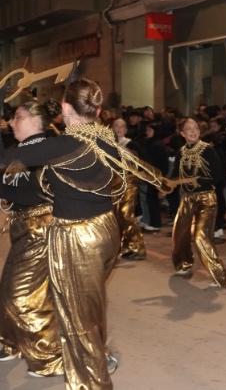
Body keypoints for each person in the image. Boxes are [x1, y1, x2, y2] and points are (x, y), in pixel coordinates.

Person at [0, 79, 169, 389]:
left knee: (77, 321)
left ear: (65, 108)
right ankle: (98, 361)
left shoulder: (66, 145)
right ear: (98, 110)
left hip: (77, 234)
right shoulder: (104, 138)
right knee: (89, 311)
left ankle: (91, 382)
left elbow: (10, 159)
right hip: (105, 228)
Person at [0, 102, 63, 377]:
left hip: (42, 228)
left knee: (21, 295)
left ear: (37, 120)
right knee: (8, 288)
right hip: (21, 227)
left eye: (18, 117)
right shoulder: (16, 150)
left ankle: (50, 357)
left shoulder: (49, 150)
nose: (12, 122)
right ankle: (10, 341)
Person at [170, 118, 226, 288]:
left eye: (195, 128)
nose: (193, 131)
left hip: (206, 198)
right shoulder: (181, 152)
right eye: (189, 129)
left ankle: (219, 276)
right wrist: (165, 184)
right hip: (187, 199)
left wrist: (195, 181)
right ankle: (184, 264)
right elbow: (175, 176)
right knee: (179, 234)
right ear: (182, 133)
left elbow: (218, 176)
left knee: (200, 236)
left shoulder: (208, 150)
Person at [112, 118, 148, 260]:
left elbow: (142, 162)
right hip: (114, 185)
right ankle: (126, 246)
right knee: (117, 217)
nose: (119, 129)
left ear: (126, 130)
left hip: (129, 184)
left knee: (126, 214)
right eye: (116, 126)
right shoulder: (108, 144)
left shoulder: (131, 144)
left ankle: (138, 247)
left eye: (122, 126)